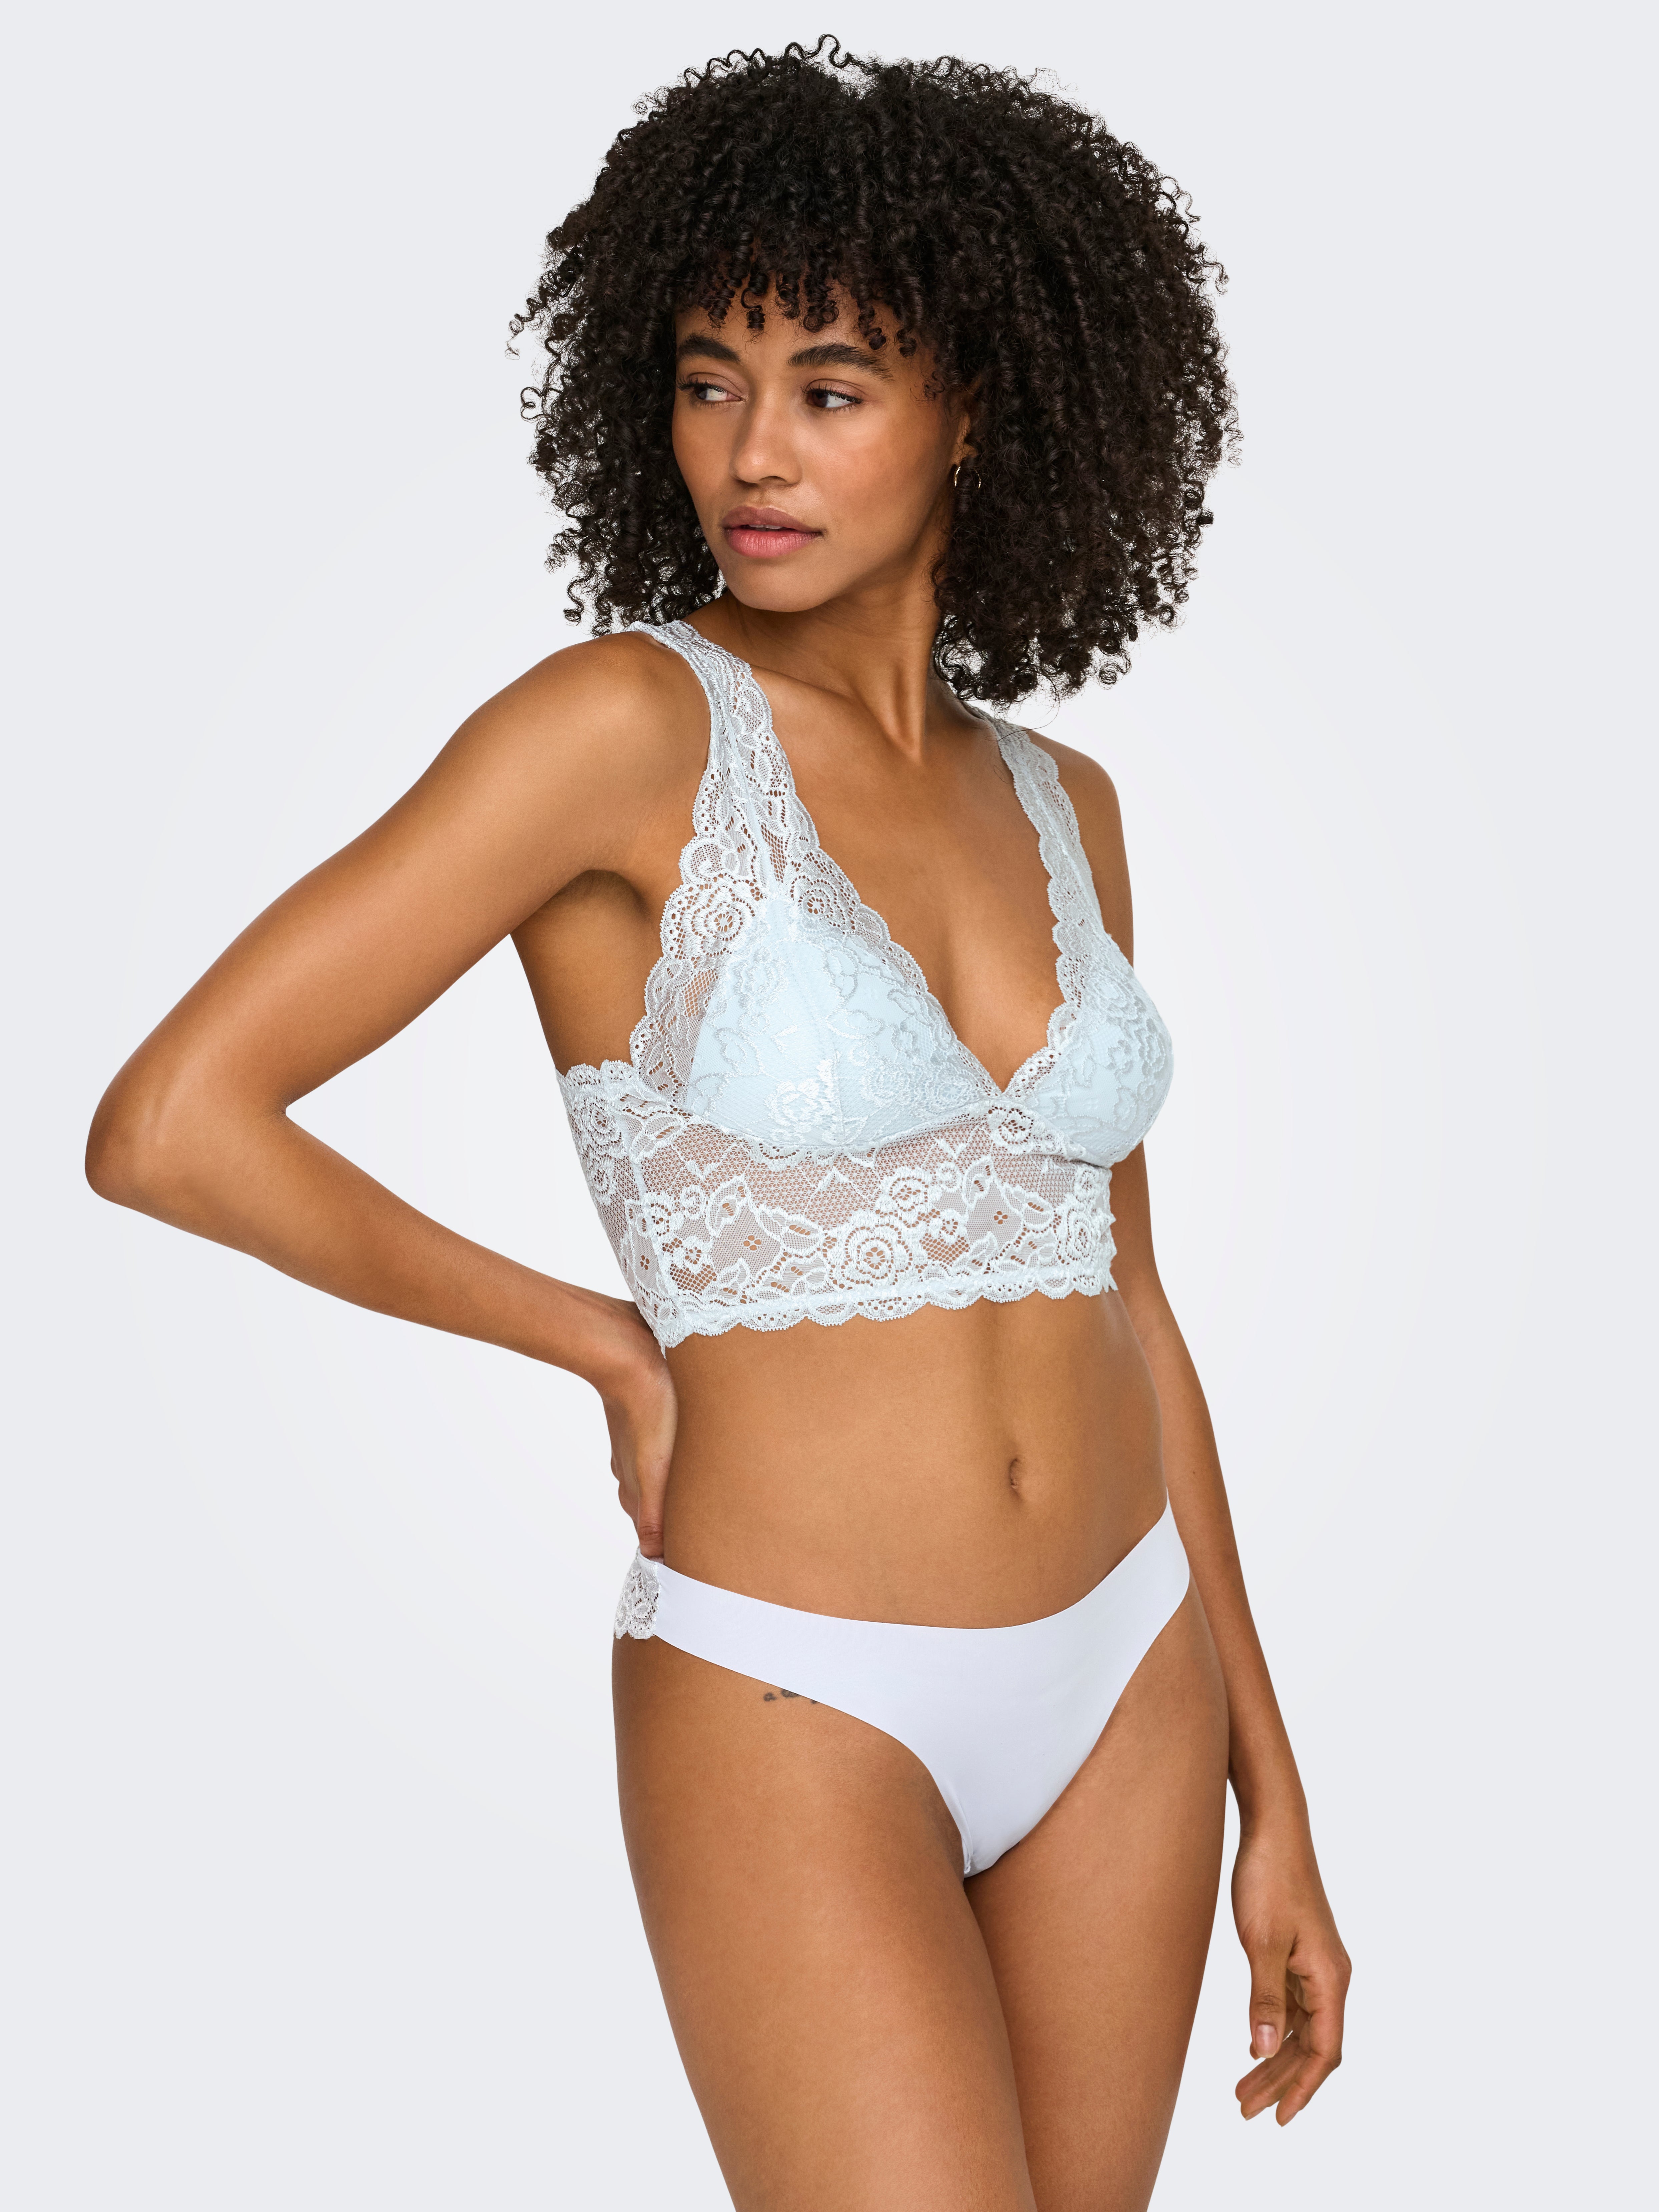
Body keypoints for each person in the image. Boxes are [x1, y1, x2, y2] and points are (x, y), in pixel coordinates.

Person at [87, 39, 1350, 2211]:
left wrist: (1278, 1781)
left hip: (1131, 1670)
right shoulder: (619, 728)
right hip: (797, 1687)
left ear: (981, 408)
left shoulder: (1070, 801)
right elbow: (176, 1119)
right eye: (708, 380)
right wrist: (598, 1337)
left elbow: (1133, 1298)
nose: (751, 451)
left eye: (830, 388)